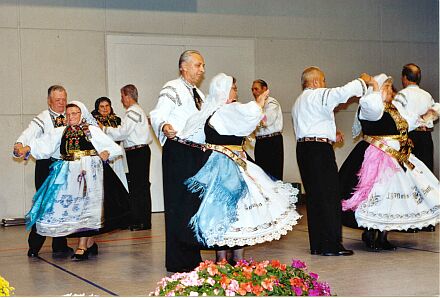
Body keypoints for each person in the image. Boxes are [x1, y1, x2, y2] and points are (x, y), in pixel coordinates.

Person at [180, 73, 301, 264]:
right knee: (232, 208)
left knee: (236, 210)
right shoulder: (226, 110)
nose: (236, 90)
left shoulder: (214, 112)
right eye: (233, 87)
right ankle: (226, 260)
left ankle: (232, 259)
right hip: (225, 166)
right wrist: (260, 101)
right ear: (225, 90)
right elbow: (249, 113)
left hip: (231, 162)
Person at [20, 101, 130, 261]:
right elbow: (43, 144)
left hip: (89, 175)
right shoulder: (60, 132)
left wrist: (106, 153)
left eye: (74, 114)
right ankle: (91, 243)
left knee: (86, 210)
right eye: (68, 114)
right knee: (69, 209)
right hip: (68, 175)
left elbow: (114, 148)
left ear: (82, 115)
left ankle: (82, 246)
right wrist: (27, 148)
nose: (71, 117)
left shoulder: (90, 130)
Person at [340, 74, 439, 250]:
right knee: (377, 195)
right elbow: (373, 106)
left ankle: (383, 235)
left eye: (389, 88)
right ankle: (370, 232)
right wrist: (375, 88)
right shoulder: (369, 107)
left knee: (391, 198)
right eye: (386, 88)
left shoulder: (393, 109)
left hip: (397, 156)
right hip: (376, 156)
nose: (390, 92)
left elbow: (408, 123)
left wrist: (427, 116)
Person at [292, 66, 372, 256]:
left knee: (315, 197)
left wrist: (330, 134)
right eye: (323, 80)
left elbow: (312, 125)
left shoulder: (300, 101)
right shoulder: (316, 95)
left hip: (305, 150)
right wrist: (361, 80)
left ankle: (319, 245)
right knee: (329, 195)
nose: (325, 83)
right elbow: (342, 93)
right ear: (315, 82)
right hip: (318, 152)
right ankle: (331, 245)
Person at [149, 49, 206, 273]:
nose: (202, 70)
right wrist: (164, 126)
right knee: (178, 205)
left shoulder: (198, 95)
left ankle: (193, 255)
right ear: (184, 66)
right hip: (178, 151)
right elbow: (157, 113)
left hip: (195, 153)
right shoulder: (172, 88)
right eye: (198, 65)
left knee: (193, 205)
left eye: (202, 66)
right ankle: (178, 260)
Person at [13, 85, 72, 258]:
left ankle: (60, 244)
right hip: (46, 166)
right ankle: (35, 245)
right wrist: (19, 144)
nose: (61, 103)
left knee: (63, 204)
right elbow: (29, 132)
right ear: (49, 101)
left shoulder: (71, 115)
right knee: (44, 204)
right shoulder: (43, 118)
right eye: (57, 100)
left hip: (65, 165)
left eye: (64, 100)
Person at [394, 64, 438, 232]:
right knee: (425, 176)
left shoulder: (402, 96)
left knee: (409, 177)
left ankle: (411, 221)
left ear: (404, 78)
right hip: (426, 137)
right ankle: (428, 221)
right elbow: (435, 109)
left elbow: (396, 117)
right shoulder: (427, 95)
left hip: (409, 138)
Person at [103, 85, 153, 231]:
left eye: (122, 96)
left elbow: (123, 132)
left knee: (139, 187)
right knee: (138, 186)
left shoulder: (133, 111)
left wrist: (105, 129)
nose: (121, 99)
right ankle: (140, 219)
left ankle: (142, 221)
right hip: (136, 152)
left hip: (138, 152)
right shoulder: (134, 111)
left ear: (128, 96)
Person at [92, 96, 128, 191]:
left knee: (119, 179)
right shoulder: (93, 121)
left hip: (116, 154)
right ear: (97, 109)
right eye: (102, 106)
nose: (105, 108)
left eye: (107, 106)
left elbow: (121, 134)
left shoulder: (117, 119)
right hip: (102, 154)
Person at [251, 79, 284, 180]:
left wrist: (252, 120)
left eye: (256, 89)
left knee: (274, 174)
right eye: (252, 89)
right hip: (260, 142)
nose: (254, 92)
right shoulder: (253, 105)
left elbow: (267, 121)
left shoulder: (271, 103)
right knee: (261, 174)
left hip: (272, 141)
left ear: (264, 89)